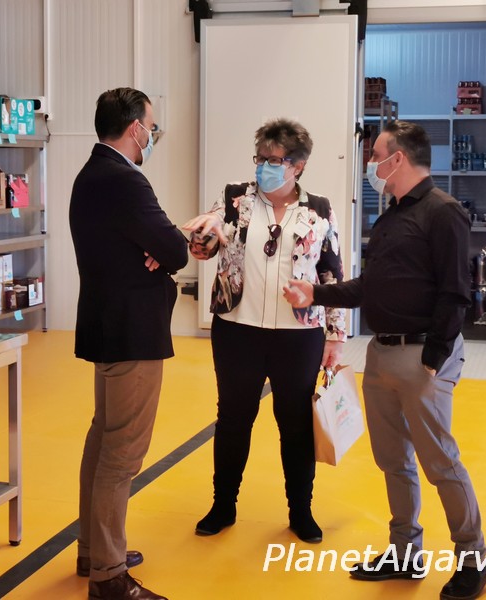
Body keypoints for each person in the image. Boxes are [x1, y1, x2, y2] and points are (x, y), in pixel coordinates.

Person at [283, 120, 486, 600]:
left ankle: (474, 559)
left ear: (398, 158)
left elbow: (456, 292)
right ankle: (404, 552)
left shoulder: (443, 213)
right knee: (393, 461)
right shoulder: (392, 216)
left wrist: (434, 358)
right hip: (381, 355)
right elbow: (371, 287)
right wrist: (315, 292)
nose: (371, 163)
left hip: (422, 357)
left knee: (441, 463)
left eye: (376, 154)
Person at [182, 118, 346, 543]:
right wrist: (202, 237)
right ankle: (223, 505)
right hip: (238, 330)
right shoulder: (234, 199)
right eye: (260, 158)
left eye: (275, 160)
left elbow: (331, 273)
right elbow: (205, 247)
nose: (264, 167)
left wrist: (335, 335)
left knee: (295, 425)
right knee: (233, 420)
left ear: (298, 166)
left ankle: (301, 510)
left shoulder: (319, 209)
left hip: (299, 336)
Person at [69, 87, 188, 600]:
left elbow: (151, 244)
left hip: (104, 328)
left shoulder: (89, 176)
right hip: (133, 333)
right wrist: (168, 244)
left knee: (102, 440)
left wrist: (159, 244)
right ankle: (109, 577)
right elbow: (176, 250)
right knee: (121, 455)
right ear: (135, 128)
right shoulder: (126, 181)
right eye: (151, 127)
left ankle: (92, 550)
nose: (153, 135)